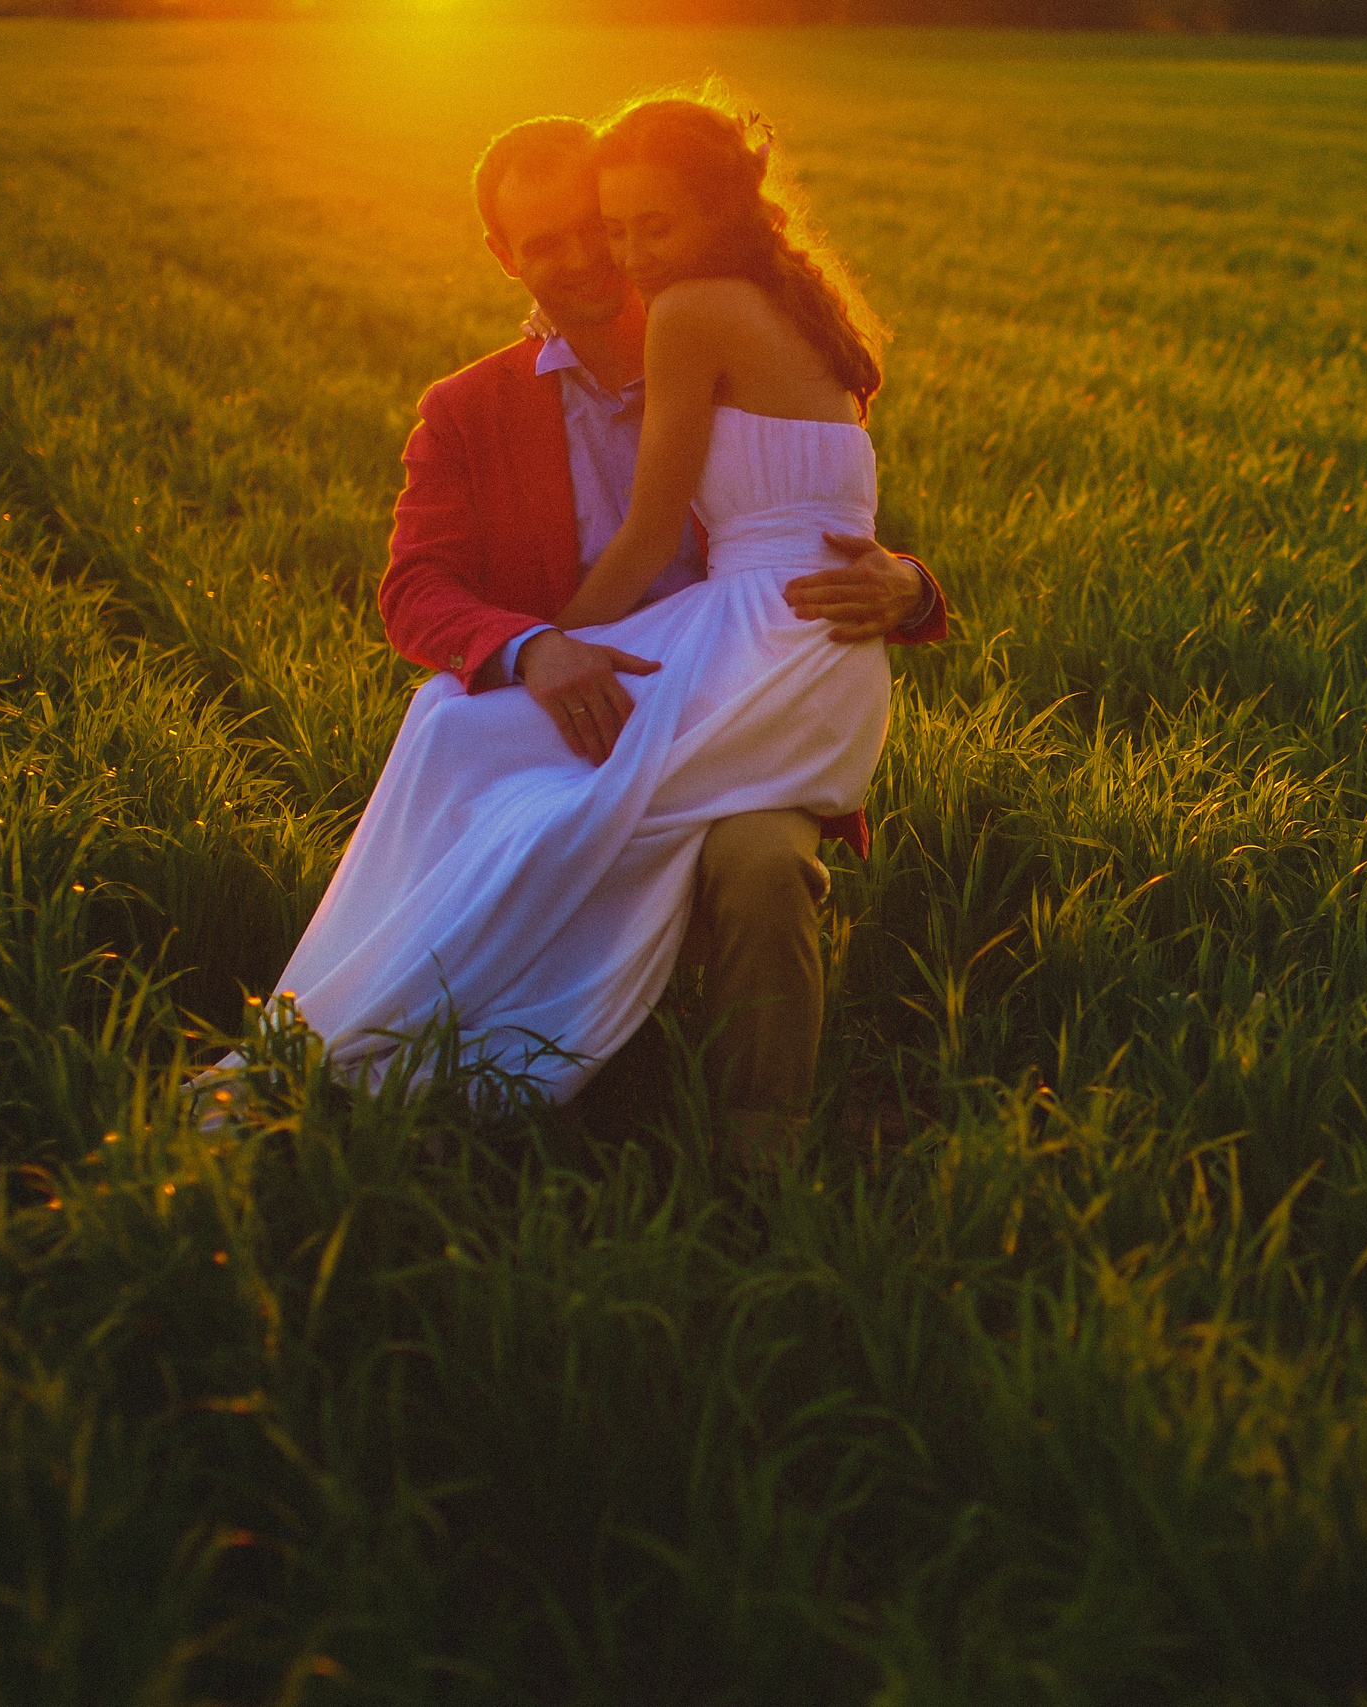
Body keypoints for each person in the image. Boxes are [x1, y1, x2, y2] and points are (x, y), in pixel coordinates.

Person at [243, 101, 944, 1157]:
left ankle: (764, 1158)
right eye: (548, 243)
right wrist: (539, 648)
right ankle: (436, 1057)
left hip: (741, 692)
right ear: (502, 257)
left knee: (757, 864)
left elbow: (825, 527)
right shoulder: (467, 411)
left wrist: (910, 590)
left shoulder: (711, 325)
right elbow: (416, 591)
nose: (589, 257)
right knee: (457, 738)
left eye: (600, 224)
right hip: (624, 687)